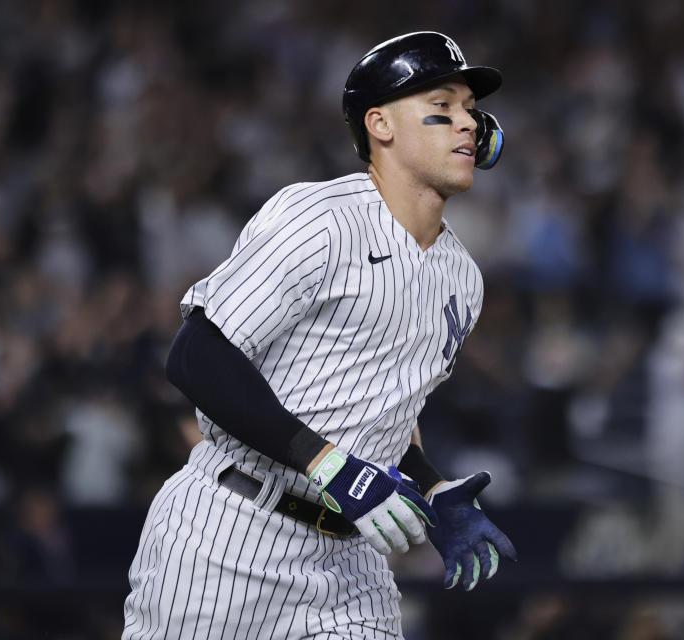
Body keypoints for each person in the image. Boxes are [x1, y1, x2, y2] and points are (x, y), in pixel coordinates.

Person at [122, 31, 517, 640]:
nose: (466, 123)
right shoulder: (321, 219)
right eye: (442, 108)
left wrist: (434, 487)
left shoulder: (463, 278)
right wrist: (328, 463)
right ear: (380, 125)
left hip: (351, 561)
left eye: (471, 110)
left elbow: (383, 411)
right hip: (229, 536)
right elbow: (196, 356)